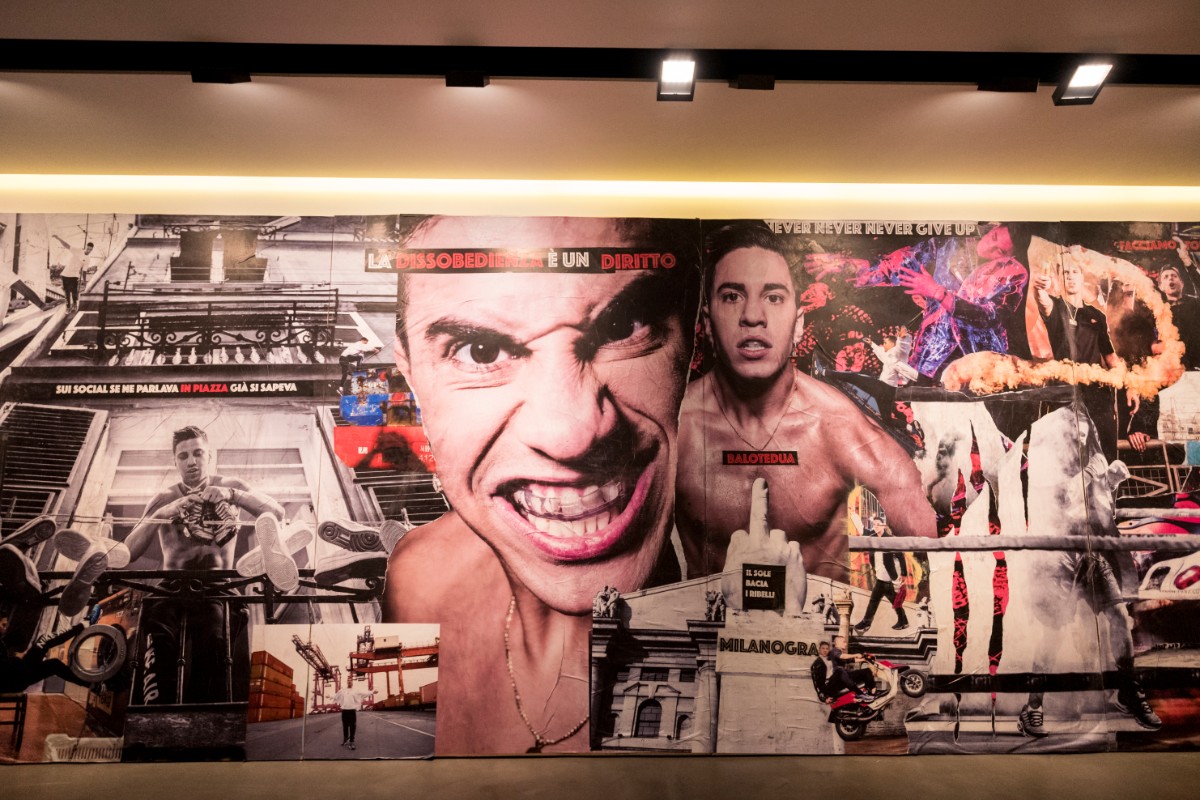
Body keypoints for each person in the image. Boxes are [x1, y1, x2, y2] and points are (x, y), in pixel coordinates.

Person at [382, 216, 701, 754]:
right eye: (480, 351)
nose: (570, 436)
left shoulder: (765, 643)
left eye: (622, 326)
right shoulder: (417, 576)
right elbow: (385, 766)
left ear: (693, 349)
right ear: (411, 376)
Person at [676, 222, 936, 584]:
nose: (753, 316)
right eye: (732, 296)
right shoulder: (677, 428)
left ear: (798, 324)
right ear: (706, 323)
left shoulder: (836, 423)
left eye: (774, 297)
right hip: (711, 622)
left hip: (819, 621)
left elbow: (935, 541)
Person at [54, 425, 291, 705]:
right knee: (159, 645)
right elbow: (129, 550)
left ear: (210, 456)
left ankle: (204, 718)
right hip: (171, 586)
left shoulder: (232, 485)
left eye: (198, 453)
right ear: (175, 461)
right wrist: (165, 512)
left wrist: (232, 495)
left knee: (215, 646)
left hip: (217, 585)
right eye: (183, 456)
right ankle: (157, 712)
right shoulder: (164, 497)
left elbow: (276, 512)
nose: (191, 461)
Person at [1033, 259, 1124, 459]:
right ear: (1059, 278)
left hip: (1096, 395)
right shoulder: (1056, 306)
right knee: (1066, 457)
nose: (1071, 276)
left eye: (1075, 271)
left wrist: (1130, 387)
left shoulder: (1096, 315)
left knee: (1104, 453)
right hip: (1065, 393)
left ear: (1082, 277)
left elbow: (1110, 357)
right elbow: (1042, 300)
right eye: (1066, 272)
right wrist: (1039, 288)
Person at [853, 515, 910, 632]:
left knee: (888, 601)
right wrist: (854, 516)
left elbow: (900, 556)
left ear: (883, 525)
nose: (876, 527)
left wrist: (904, 573)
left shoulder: (890, 539)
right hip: (880, 577)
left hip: (889, 578)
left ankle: (866, 623)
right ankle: (902, 621)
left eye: (878, 524)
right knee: (877, 601)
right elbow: (862, 530)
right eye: (874, 525)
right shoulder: (872, 537)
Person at [1157, 264, 1200, 371]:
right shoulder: (1159, 310)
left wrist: (1189, 266)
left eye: (1174, 276)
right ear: (1161, 287)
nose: (1170, 278)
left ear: (1182, 283)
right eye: (1165, 277)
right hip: (1174, 368)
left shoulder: (1195, 303)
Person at [51, 236, 92, 312]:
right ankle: (68, 307)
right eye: (88, 248)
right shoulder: (78, 251)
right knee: (67, 292)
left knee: (74, 291)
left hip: (74, 275)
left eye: (90, 249)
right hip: (65, 274)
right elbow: (67, 245)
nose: (88, 251)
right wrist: (58, 238)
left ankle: (75, 305)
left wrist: (84, 281)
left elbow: (84, 271)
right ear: (86, 247)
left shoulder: (88, 259)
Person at [332, 684, 377, 750]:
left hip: (352, 711)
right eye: (348, 680)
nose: (349, 682)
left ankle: (351, 741)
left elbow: (363, 693)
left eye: (350, 680)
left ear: (352, 683)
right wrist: (329, 696)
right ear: (347, 682)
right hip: (344, 711)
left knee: (352, 726)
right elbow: (336, 695)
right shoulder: (342, 690)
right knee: (345, 726)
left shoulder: (355, 690)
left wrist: (372, 692)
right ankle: (345, 739)